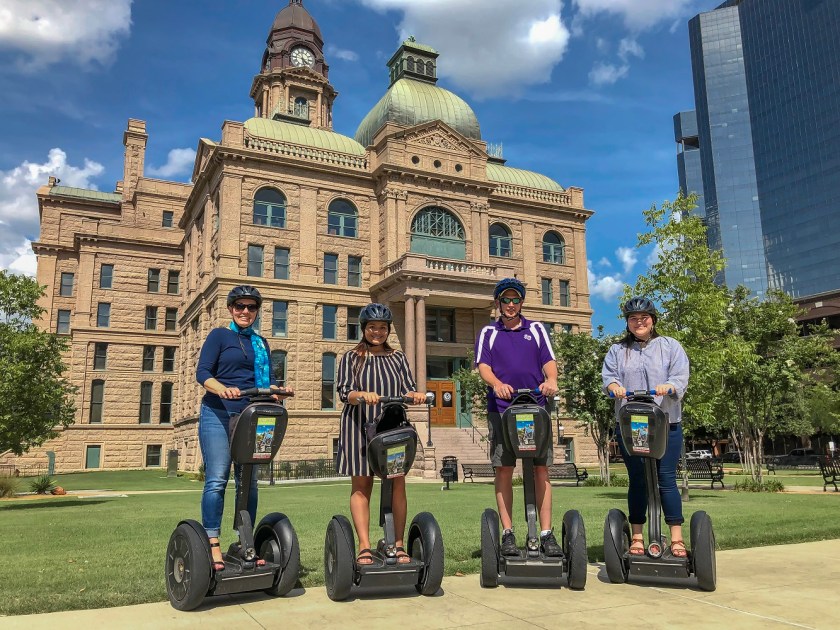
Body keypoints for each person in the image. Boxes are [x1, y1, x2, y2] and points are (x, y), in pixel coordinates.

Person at [196, 285, 292, 571]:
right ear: (230, 309)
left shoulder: (261, 343)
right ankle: (212, 541)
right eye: (240, 306)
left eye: (251, 307)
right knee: (217, 478)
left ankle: (244, 541)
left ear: (257, 311)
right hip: (219, 412)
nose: (245, 312)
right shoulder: (219, 336)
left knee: (248, 480)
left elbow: (269, 382)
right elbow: (203, 373)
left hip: (252, 415)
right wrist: (223, 389)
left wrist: (279, 391)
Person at [474, 278, 561, 557]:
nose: (510, 305)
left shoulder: (536, 329)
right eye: (505, 300)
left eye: (515, 300)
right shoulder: (489, 332)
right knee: (504, 468)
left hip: (536, 407)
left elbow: (549, 361)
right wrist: (496, 383)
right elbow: (483, 366)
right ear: (498, 303)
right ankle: (508, 532)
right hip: (501, 409)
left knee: (541, 469)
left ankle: (546, 533)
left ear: (521, 302)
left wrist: (551, 380)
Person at [335, 303, 426, 565]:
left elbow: (408, 388)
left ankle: (396, 544)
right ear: (364, 329)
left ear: (388, 330)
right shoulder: (351, 358)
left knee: (397, 483)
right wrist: (360, 395)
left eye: (383, 328)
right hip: (358, 428)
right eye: (372, 327)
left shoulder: (397, 358)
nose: (377, 332)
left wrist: (415, 395)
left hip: (392, 427)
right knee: (362, 485)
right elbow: (344, 392)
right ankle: (364, 545)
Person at [602, 297, 690, 558]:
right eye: (633, 319)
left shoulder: (670, 346)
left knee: (666, 480)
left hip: (666, 424)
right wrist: (614, 387)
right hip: (631, 426)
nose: (639, 322)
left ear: (653, 320)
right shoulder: (617, 350)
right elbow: (609, 379)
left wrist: (670, 386)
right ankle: (638, 536)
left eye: (644, 318)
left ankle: (676, 538)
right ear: (627, 323)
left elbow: (679, 377)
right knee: (638, 481)